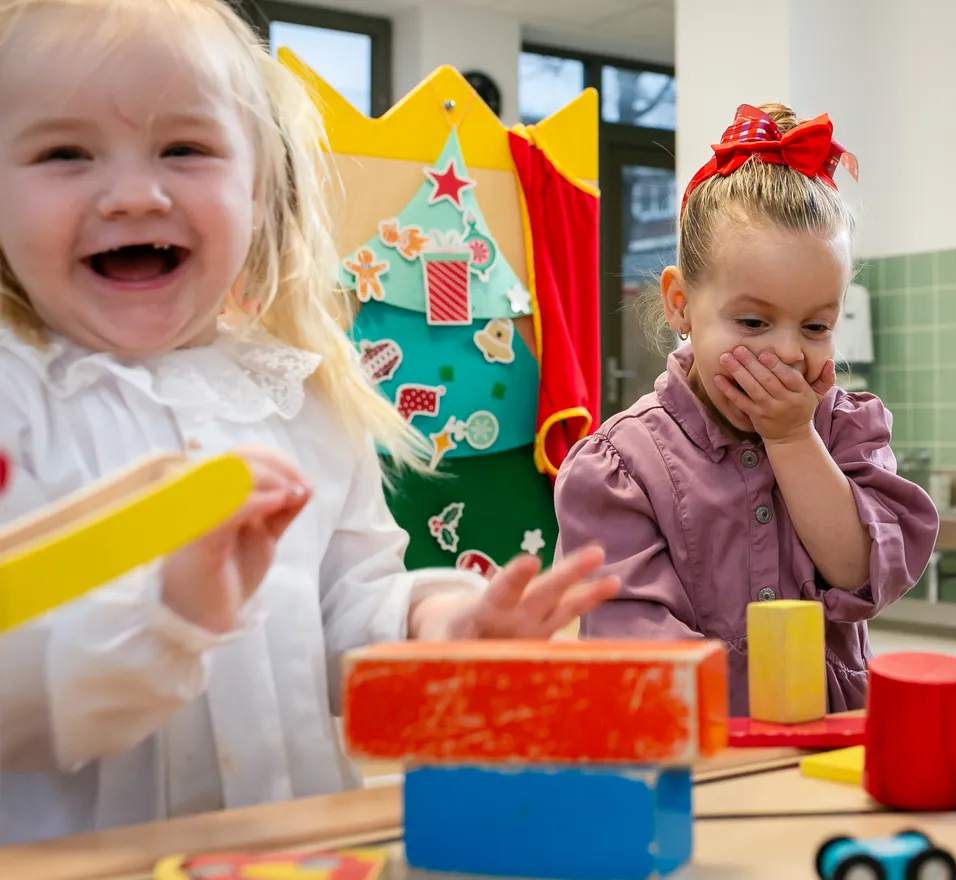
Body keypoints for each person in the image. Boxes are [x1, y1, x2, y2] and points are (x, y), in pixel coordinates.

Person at [0, 0, 618, 843]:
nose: (136, 193)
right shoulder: (16, 400)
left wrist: (440, 626)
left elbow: (348, 610)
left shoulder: (300, 397)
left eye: (185, 149)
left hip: (297, 850)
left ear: (256, 188)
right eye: (63, 153)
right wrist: (167, 620)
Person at [554, 103, 939, 715]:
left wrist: (792, 438)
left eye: (816, 326)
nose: (786, 352)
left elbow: (859, 571)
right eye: (754, 321)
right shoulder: (620, 467)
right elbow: (627, 641)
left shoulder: (844, 431)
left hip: (827, 740)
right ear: (680, 304)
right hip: (694, 746)